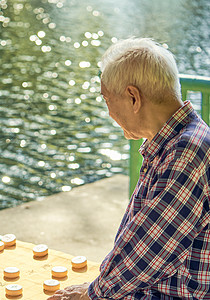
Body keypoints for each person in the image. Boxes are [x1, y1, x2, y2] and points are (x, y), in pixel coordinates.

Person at [49, 38, 210, 299]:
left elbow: (150, 250)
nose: (109, 112)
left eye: (107, 99)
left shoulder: (186, 152)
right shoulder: (175, 139)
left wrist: (93, 294)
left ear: (133, 97)